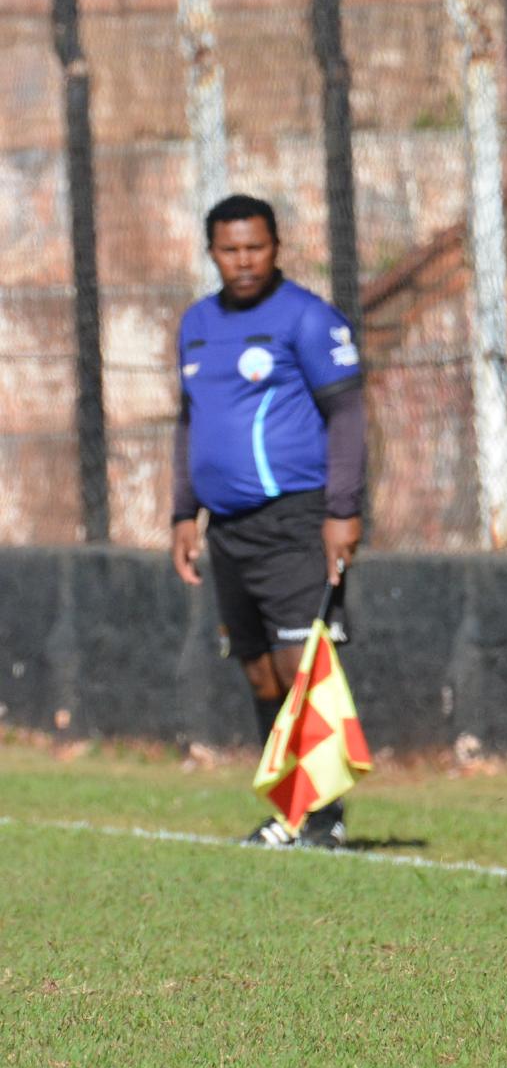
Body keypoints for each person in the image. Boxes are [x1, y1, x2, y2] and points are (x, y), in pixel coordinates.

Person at [170, 194, 366, 849]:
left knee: (299, 666)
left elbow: (347, 415)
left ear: (276, 247)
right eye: (230, 249)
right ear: (212, 252)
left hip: (295, 519)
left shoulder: (307, 318)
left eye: (255, 247)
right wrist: (183, 512)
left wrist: (343, 510)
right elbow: (190, 421)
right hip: (227, 529)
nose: (244, 260)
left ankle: (325, 818)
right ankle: (289, 809)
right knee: (257, 670)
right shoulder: (197, 323)